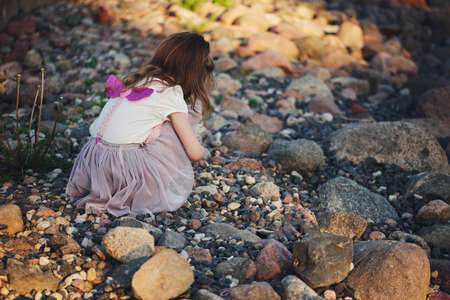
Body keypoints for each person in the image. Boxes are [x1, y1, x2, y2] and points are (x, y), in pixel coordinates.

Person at [66, 32, 214, 217]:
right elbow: (195, 154)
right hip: (122, 171)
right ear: (195, 71)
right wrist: (201, 150)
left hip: (92, 164)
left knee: (160, 121)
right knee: (182, 117)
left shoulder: (137, 81)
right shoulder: (170, 93)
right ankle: (137, 192)